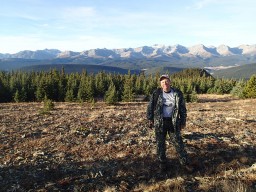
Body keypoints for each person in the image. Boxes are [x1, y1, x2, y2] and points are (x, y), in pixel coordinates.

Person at [146, 74, 192, 173]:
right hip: (160, 122)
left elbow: (182, 108)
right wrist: (150, 119)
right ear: (160, 84)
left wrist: (183, 121)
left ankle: (185, 163)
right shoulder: (156, 93)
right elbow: (150, 107)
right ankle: (162, 164)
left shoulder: (177, 93)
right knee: (160, 145)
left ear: (170, 82)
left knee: (179, 143)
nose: (165, 84)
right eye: (163, 82)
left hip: (173, 122)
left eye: (166, 81)